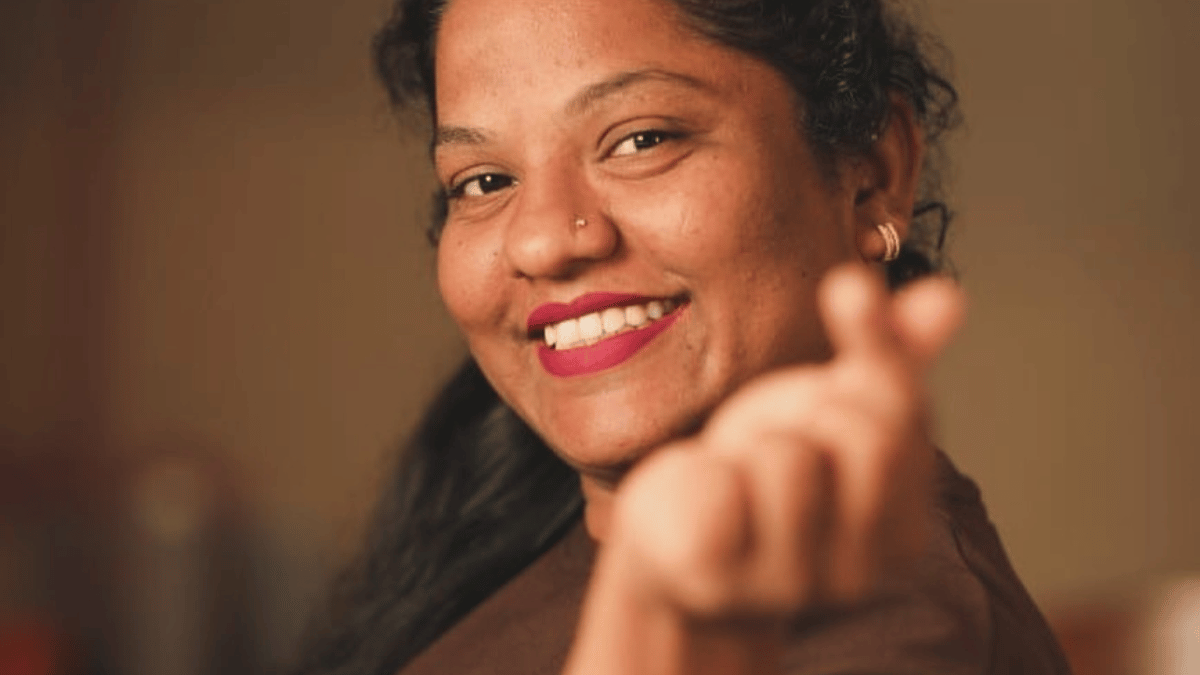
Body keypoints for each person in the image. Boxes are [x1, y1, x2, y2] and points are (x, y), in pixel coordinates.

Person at [294, 0, 1072, 673]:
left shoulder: (900, 633)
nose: (540, 242)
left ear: (873, 172)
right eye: (484, 181)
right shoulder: (481, 555)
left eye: (641, 139)